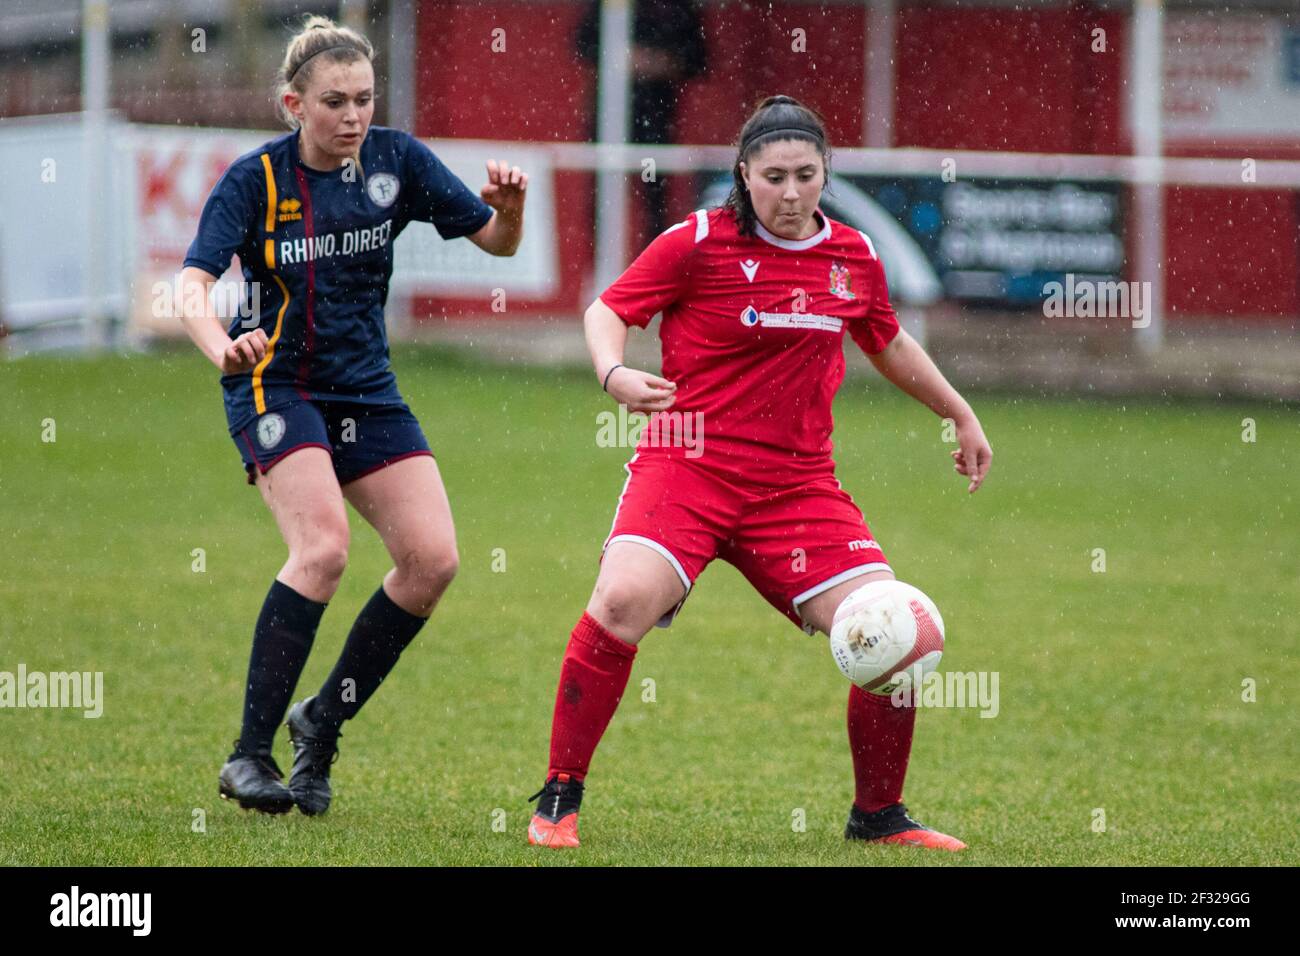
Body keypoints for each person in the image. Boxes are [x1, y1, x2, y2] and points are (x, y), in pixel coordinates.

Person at [527, 95, 991, 851]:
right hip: (686, 467)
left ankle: (879, 817)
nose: (789, 192)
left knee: (899, 627)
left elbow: (889, 342)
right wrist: (613, 373)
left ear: (825, 174)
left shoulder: (853, 257)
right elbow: (606, 311)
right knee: (620, 602)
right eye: (772, 176)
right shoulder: (696, 243)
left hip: (796, 490)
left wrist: (959, 412)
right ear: (744, 175)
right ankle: (558, 798)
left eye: (805, 175)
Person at [177, 15, 527, 815]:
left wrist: (506, 213)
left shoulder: (397, 160)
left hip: (365, 389)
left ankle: (322, 721)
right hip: (274, 385)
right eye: (334, 101)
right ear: (293, 105)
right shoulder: (254, 181)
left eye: (364, 99)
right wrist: (217, 346)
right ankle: (247, 756)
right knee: (324, 548)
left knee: (433, 561)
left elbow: (498, 246)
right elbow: (193, 283)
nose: (354, 117)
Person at [576, 0, 708, 240]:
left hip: (657, 118)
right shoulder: (608, 5)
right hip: (607, 117)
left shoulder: (675, 8)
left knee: (655, 203)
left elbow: (697, 59)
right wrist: (616, 58)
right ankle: (598, 267)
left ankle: (654, 264)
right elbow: (584, 44)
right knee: (602, 195)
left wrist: (657, 62)